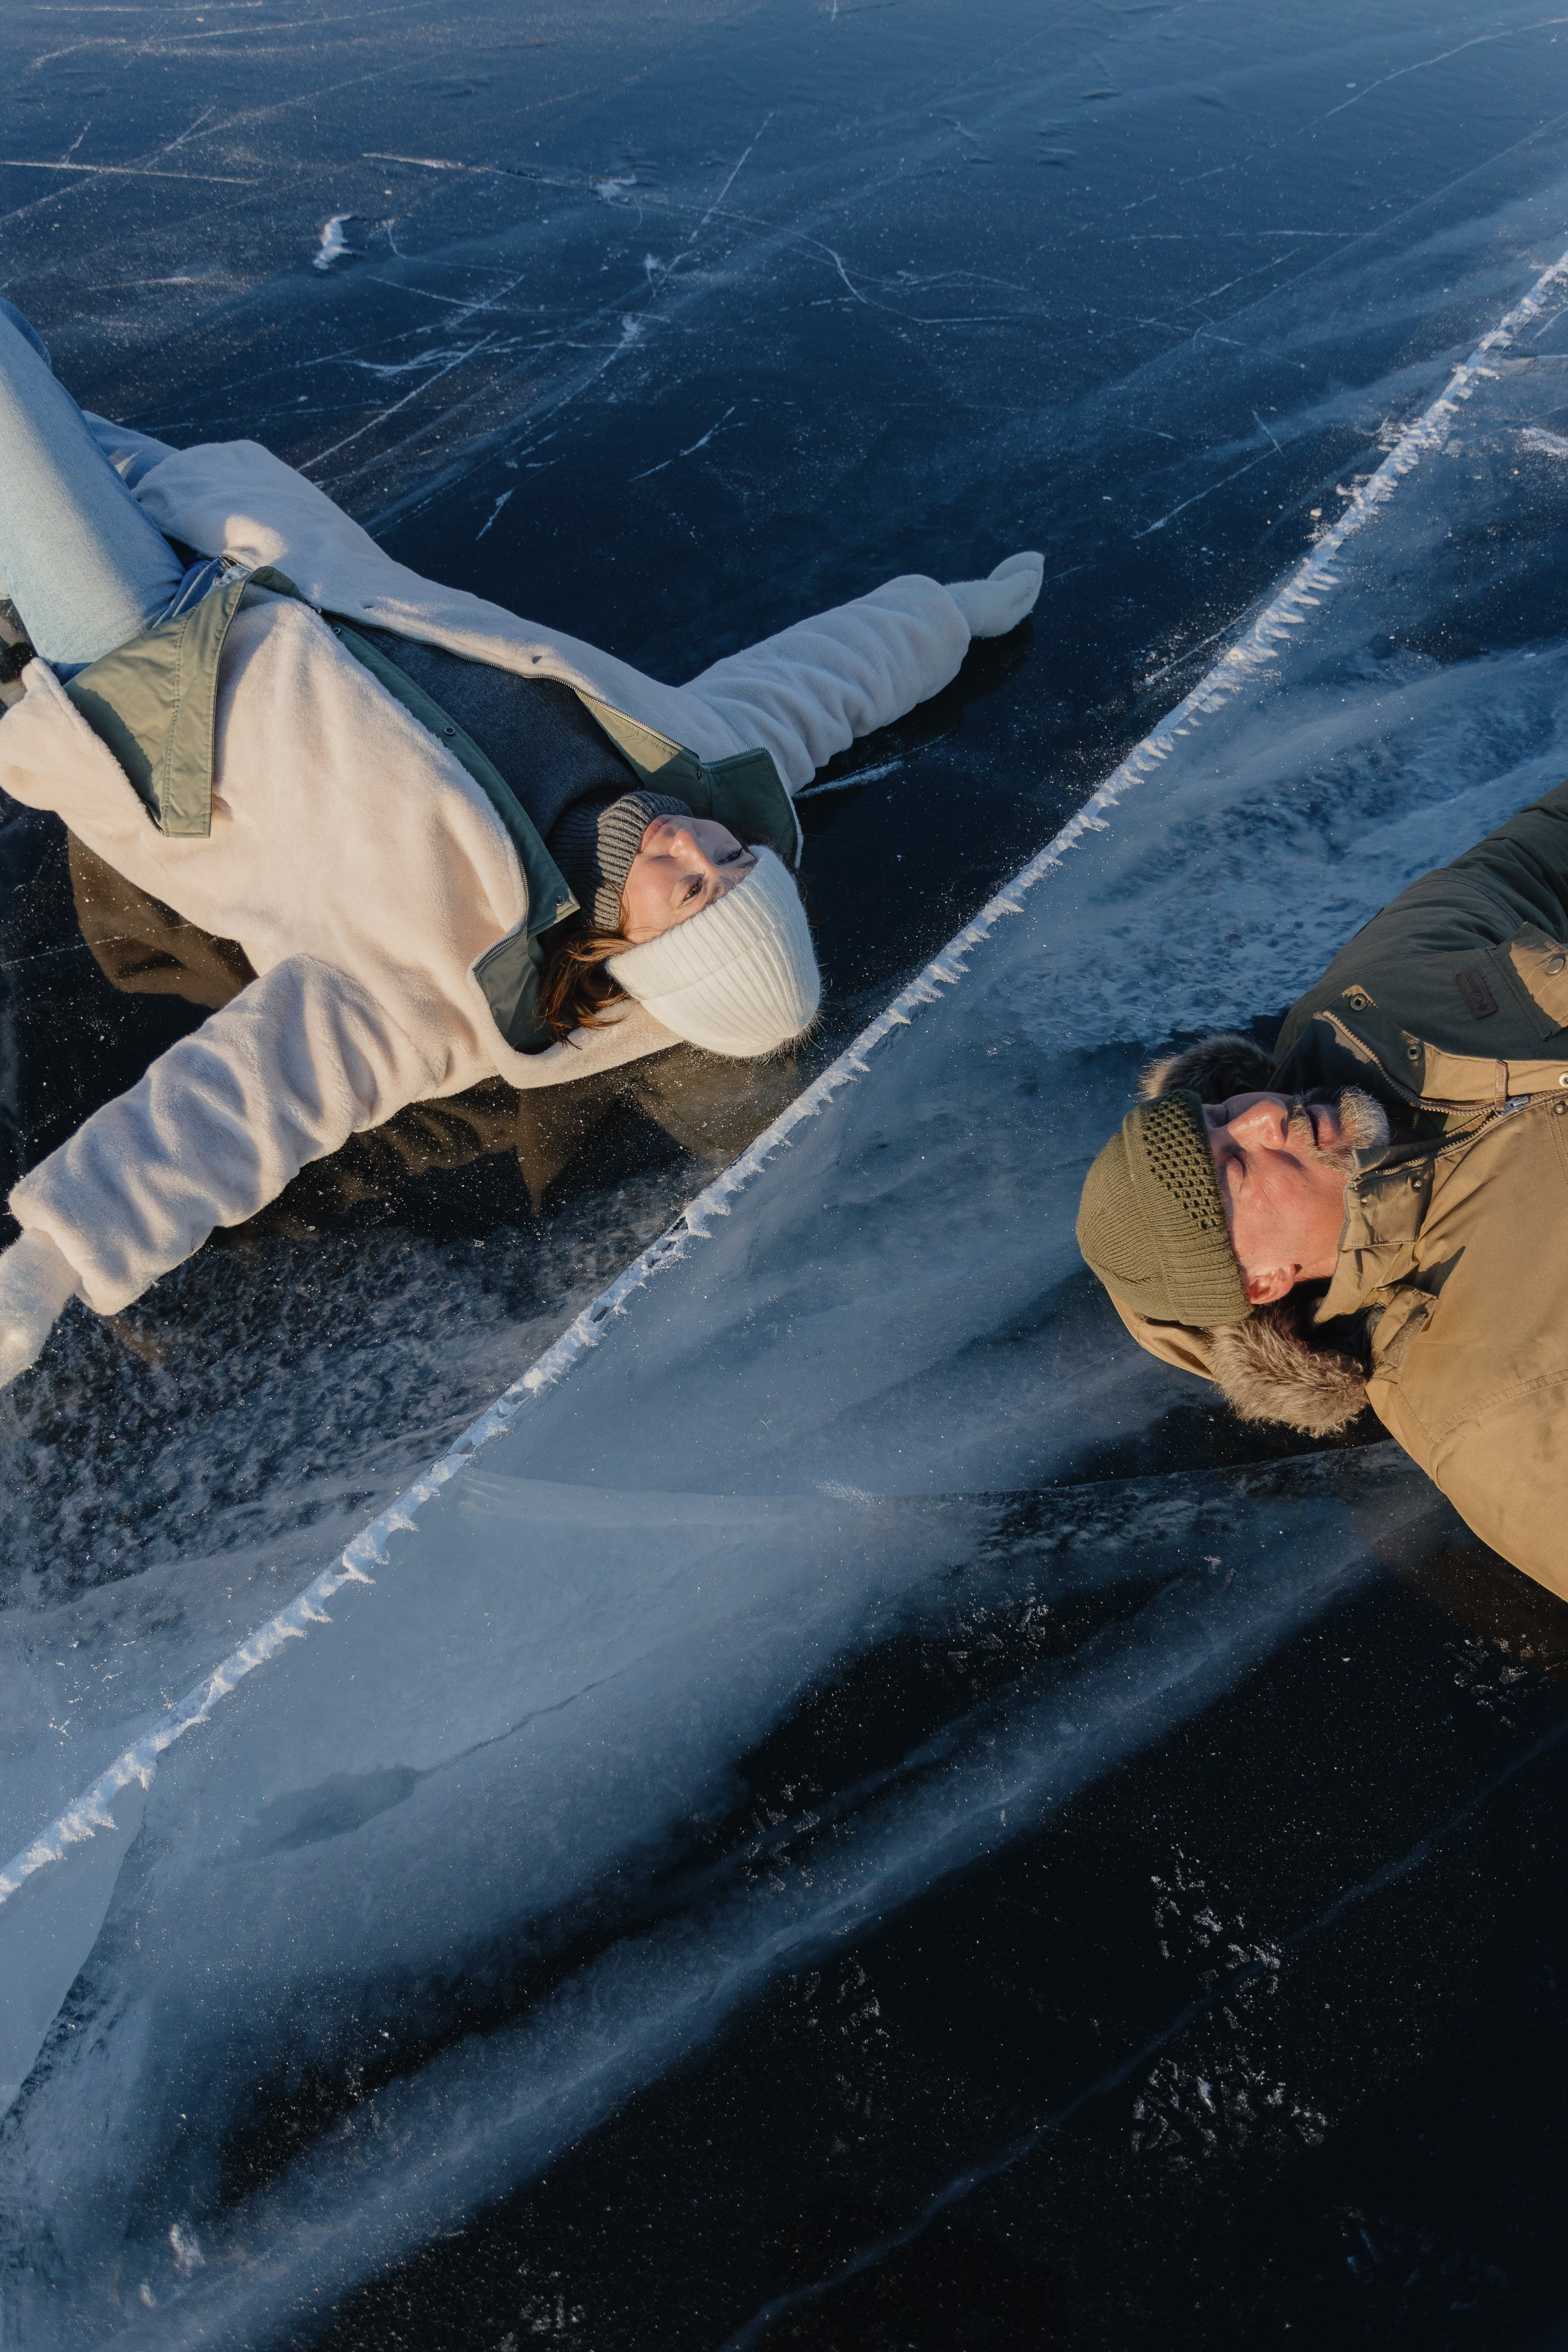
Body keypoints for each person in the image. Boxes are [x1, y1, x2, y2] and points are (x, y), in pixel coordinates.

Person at [0, 298, 1043, 1384]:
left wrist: (51, 1260)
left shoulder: (438, 997)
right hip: (250, 547)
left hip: (156, 682)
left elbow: (245, 1105)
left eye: (691, 893)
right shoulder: (703, 760)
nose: (699, 849)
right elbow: (831, 685)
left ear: (632, 956)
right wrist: (957, 616)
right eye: (734, 864)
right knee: (28, 371)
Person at [1075, 780, 1568, 1599]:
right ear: (1259, 1280)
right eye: (1237, 1165)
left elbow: (1538, 858)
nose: (1269, 1112)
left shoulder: (1371, 1009)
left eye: (1226, 1110)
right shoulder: (1493, 1410)